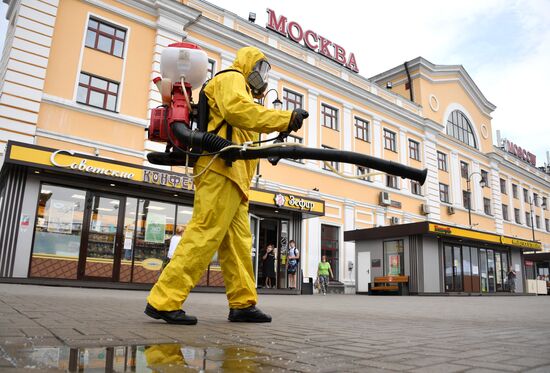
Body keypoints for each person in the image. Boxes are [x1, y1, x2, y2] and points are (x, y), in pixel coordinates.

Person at [144, 46, 308, 324]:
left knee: (239, 245)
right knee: (204, 233)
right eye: (259, 68)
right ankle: (164, 300)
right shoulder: (230, 78)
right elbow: (239, 112)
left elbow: (246, 130)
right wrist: (285, 118)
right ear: (247, 64)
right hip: (220, 169)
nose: (261, 76)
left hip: (237, 177)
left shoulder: (242, 90)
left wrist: (274, 143)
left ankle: (243, 304)